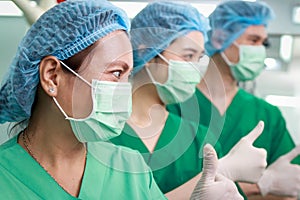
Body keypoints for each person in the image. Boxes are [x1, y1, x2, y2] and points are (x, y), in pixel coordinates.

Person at [0, 1, 244, 199]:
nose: (124, 91)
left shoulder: (131, 167)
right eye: (116, 73)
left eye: (128, 77)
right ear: (53, 76)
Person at [110, 1, 266, 199]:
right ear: (145, 52)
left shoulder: (201, 139)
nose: (196, 68)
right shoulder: (101, 130)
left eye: (199, 57)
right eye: (188, 56)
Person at [168, 1, 300, 199]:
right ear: (220, 38)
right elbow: (154, 189)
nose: (259, 50)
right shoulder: (173, 104)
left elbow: (288, 188)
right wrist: (261, 184)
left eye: (263, 43)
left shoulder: (266, 115)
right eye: (253, 40)